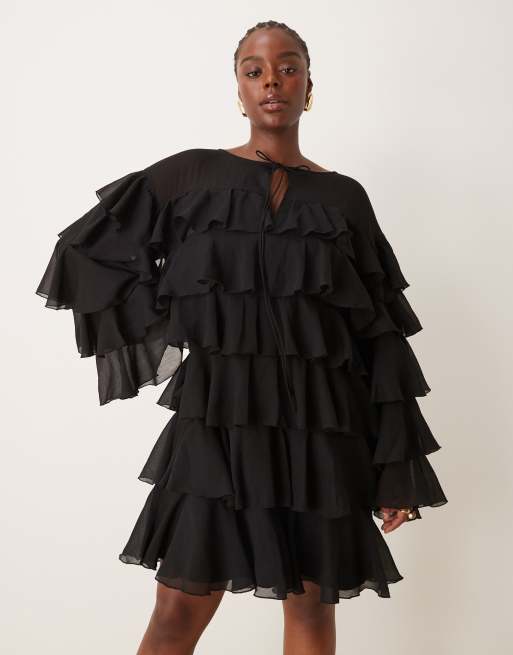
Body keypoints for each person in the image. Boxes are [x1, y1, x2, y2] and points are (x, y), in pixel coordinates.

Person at [35, 19, 448, 655]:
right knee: (176, 611)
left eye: (288, 68)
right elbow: (86, 251)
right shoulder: (190, 175)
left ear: (309, 85)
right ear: (239, 90)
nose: (272, 82)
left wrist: (396, 470)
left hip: (321, 430)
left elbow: (382, 337)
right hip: (217, 421)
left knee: (311, 608)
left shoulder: (344, 199)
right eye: (255, 71)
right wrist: (180, 315)